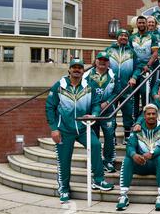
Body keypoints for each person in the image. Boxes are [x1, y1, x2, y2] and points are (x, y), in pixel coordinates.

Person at [45, 58, 114, 204]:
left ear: (84, 70)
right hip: (64, 129)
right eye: (74, 67)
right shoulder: (60, 85)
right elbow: (50, 107)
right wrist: (54, 129)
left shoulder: (89, 86)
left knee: (95, 146)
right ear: (69, 69)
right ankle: (63, 188)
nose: (77, 70)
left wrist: (94, 114)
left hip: (83, 127)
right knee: (64, 160)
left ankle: (98, 180)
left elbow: (96, 104)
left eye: (80, 67)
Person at [116, 104, 160, 211]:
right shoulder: (138, 128)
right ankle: (123, 195)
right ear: (144, 115)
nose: (151, 116)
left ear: (157, 115)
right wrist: (134, 154)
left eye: (153, 114)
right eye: (148, 114)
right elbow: (130, 145)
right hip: (141, 163)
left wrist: (152, 153)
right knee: (128, 159)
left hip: (156, 164)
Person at [83, 52, 118, 173]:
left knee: (109, 136)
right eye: (100, 60)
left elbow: (117, 92)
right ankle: (95, 162)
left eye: (105, 60)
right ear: (95, 61)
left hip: (108, 111)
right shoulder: (86, 75)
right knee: (94, 138)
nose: (102, 62)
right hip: (91, 110)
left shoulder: (114, 75)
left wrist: (107, 102)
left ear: (108, 62)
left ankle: (108, 161)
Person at [105, 29, 138, 144]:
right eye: (121, 35)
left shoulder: (131, 52)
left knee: (128, 112)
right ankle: (112, 136)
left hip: (127, 87)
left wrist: (134, 77)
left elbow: (137, 68)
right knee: (111, 112)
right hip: (112, 88)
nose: (123, 37)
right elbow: (101, 64)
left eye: (125, 36)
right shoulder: (109, 50)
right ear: (117, 37)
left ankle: (127, 136)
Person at [129, 16, 160, 118]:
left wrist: (148, 65)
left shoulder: (152, 37)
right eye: (140, 23)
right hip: (134, 67)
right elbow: (129, 52)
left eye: (143, 23)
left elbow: (155, 53)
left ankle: (144, 116)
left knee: (144, 91)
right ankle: (135, 117)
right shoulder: (132, 37)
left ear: (146, 24)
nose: (141, 24)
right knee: (135, 93)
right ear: (137, 24)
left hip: (146, 68)